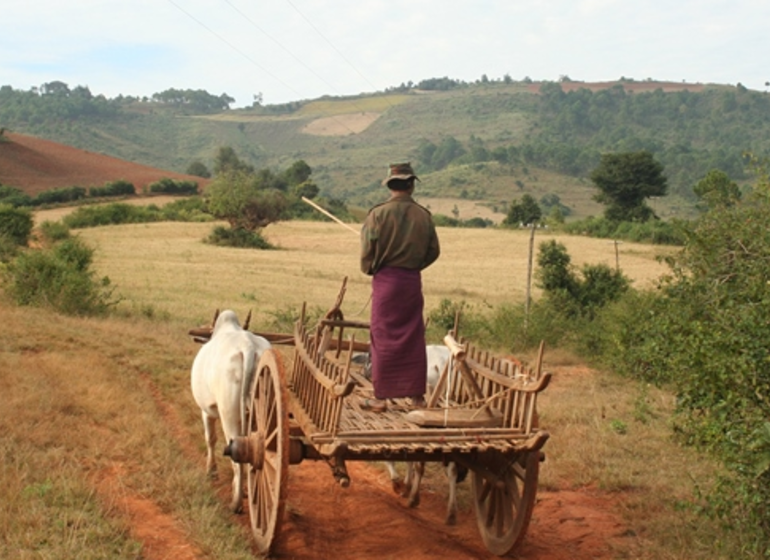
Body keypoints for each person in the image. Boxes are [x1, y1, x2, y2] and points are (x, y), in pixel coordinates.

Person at [360, 162, 440, 412]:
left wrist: (373, 268)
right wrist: (414, 266)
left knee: (383, 336)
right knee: (413, 336)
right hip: (411, 283)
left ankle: (381, 398)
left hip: (386, 283)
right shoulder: (423, 216)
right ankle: (417, 397)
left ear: (391, 185)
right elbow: (433, 251)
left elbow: (366, 254)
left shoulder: (377, 214)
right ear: (411, 184)